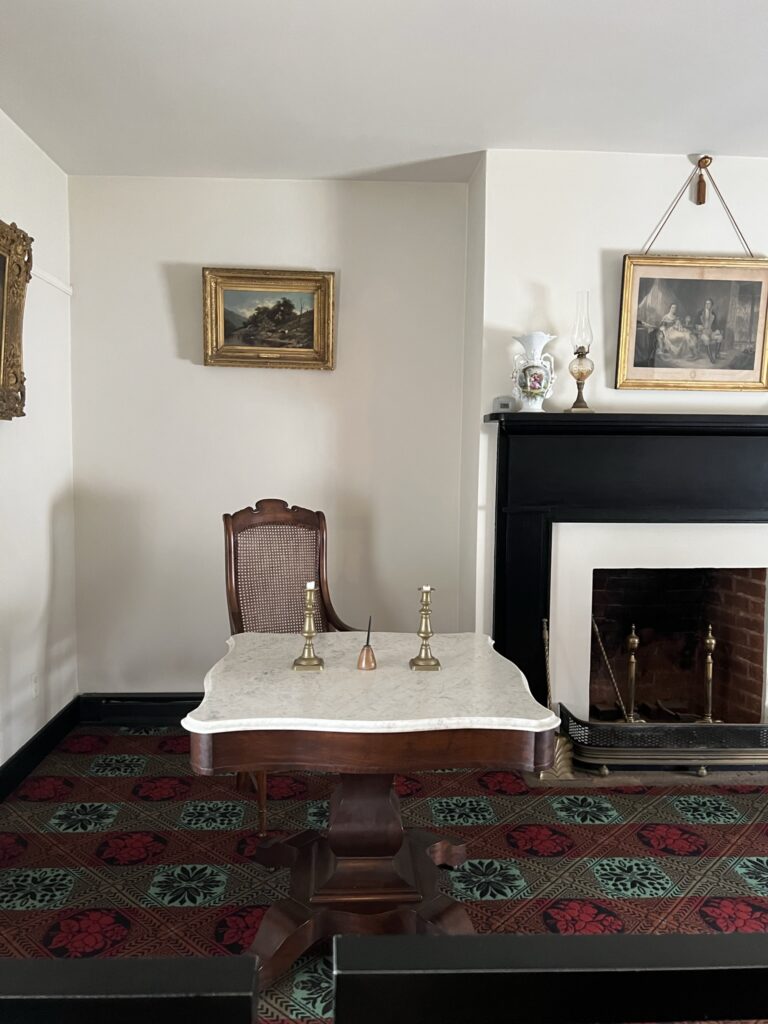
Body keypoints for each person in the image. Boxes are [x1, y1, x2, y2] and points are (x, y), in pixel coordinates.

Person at [695, 298, 721, 362]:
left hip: (710, 332)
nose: (707, 305)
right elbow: (694, 323)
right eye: (706, 303)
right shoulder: (700, 312)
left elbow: (715, 325)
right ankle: (711, 358)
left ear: (711, 305)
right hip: (702, 332)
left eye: (709, 303)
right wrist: (698, 326)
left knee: (720, 337)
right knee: (706, 339)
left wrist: (717, 330)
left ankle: (716, 355)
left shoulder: (713, 314)